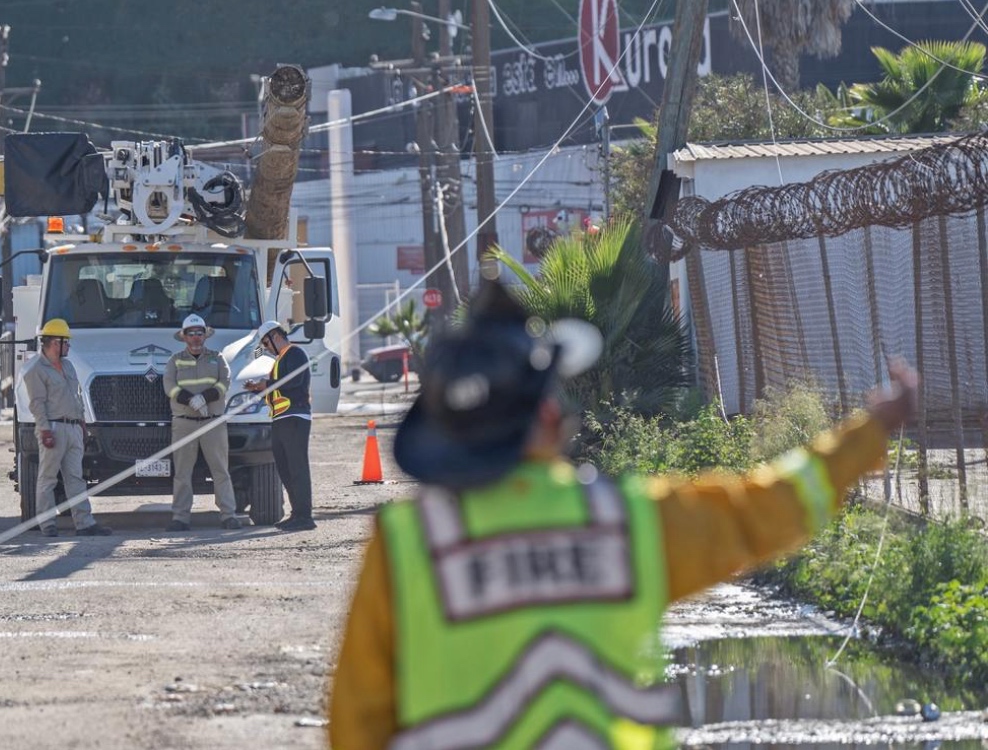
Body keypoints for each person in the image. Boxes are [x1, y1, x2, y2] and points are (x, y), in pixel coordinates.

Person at [328, 278, 917, 749]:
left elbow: (356, 725)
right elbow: (768, 507)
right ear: (551, 421)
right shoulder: (625, 522)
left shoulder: (407, 546)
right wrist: (871, 433)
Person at [21, 318, 111, 538]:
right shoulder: (35, 370)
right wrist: (44, 430)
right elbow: (37, 403)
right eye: (66, 342)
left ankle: (84, 523)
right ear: (55, 343)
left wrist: (82, 423)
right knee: (48, 478)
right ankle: (47, 524)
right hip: (53, 428)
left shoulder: (68, 366)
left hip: (72, 428)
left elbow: (76, 396)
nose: (69, 346)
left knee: (76, 479)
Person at [164, 314, 239, 532]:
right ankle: (180, 518)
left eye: (200, 333)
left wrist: (205, 398)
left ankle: (229, 515)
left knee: (220, 470)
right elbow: (169, 386)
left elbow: (225, 382)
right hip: (184, 423)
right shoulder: (175, 360)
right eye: (191, 334)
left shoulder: (218, 357)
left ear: (205, 335)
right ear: (184, 337)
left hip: (212, 422)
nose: (196, 337)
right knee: (182, 473)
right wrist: (190, 400)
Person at [246, 320, 314, 531]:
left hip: (295, 418)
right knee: (285, 469)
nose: (265, 348)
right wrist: (258, 389)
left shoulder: (295, 354)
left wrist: (267, 384)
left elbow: (292, 381)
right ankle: (297, 514)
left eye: (266, 343)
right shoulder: (280, 360)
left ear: (275, 337)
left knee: (297, 468)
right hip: (281, 419)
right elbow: (278, 388)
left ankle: (305, 516)